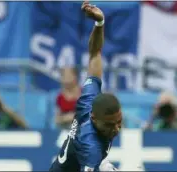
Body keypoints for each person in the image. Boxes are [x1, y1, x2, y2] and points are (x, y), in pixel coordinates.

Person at [50, 1, 122, 172]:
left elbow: (95, 54)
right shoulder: (92, 148)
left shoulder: (89, 98)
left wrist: (99, 23)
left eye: (119, 122)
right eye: (110, 125)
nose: (116, 129)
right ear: (94, 118)